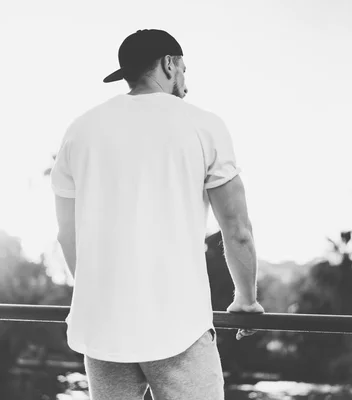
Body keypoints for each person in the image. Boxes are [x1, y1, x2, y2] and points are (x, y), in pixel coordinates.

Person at [50, 28, 264, 400]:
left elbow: (66, 235)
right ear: (169, 64)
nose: (186, 82)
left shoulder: (79, 130)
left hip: (103, 329)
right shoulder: (203, 124)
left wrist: (99, 293)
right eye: (184, 69)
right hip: (177, 325)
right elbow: (237, 228)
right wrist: (246, 298)